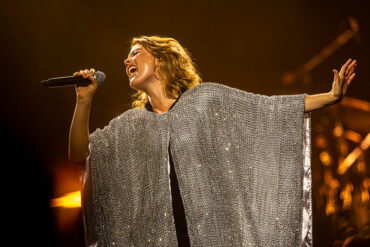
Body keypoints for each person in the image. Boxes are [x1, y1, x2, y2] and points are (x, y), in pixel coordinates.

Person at [69, 35, 357, 247]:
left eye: (136, 53)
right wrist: (84, 101)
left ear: (160, 59)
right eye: (127, 56)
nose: (126, 60)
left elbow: (268, 109)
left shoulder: (205, 101)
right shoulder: (130, 126)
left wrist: (331, 97)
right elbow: (79, 152)